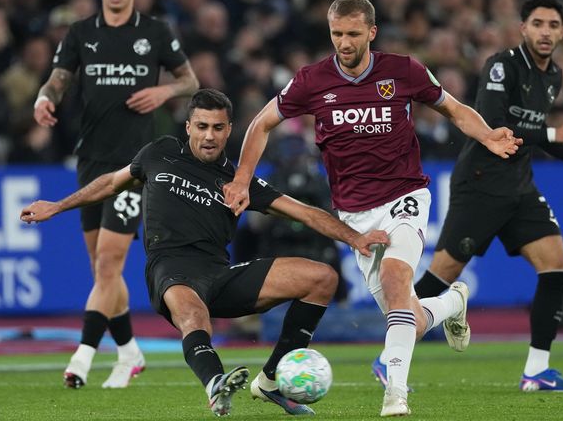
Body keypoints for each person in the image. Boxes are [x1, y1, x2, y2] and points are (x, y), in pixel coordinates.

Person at [222, 0, 521, 417]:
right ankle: (453, 302)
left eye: (353, 34)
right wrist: (241, 179)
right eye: (337, 34)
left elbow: (452, 108)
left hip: (405, 197)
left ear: (371, 32)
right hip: (355, 215)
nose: (344, 43)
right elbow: (262, 123)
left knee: (399, 281)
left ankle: (395, 393)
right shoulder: (311, 80)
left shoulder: (403, 70)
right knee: (407, 317)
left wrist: (489, 135)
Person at [21, 89, 390, 416]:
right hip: (170, 269)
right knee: (194, 315)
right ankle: (216, 385)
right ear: (188, 127)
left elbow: (305, 213)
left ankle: (272, 379)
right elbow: (110, 183)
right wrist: (57, 206)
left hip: (220, 274)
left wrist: (355, 237)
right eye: (201, 127)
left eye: (217, 128)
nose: (209, 136)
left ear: (229, 130)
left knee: (322, 277)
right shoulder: (160, 153)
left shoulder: (238, 180)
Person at [413, 0, 563, 392]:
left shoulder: (553, 75)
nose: (545, 32)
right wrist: (558, 132)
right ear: (523, 28)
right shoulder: (501, 66)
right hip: (481, 183)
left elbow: (537, 131)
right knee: (441, 276)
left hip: (519, 187)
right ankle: (388, 355)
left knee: (556, 267)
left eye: (553, 25)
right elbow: (495, 123)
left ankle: (536, 372)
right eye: (537, 24)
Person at [33, 0, 199, 389]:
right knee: (101, 271)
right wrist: (43, 97)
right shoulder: (79, 32)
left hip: (135, 165)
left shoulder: (155, 32)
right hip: (91, 160)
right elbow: (58, 80)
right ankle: (129, 351)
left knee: (109, 264)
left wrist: (163, 91)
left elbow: (189, 81)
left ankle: (82, 357)